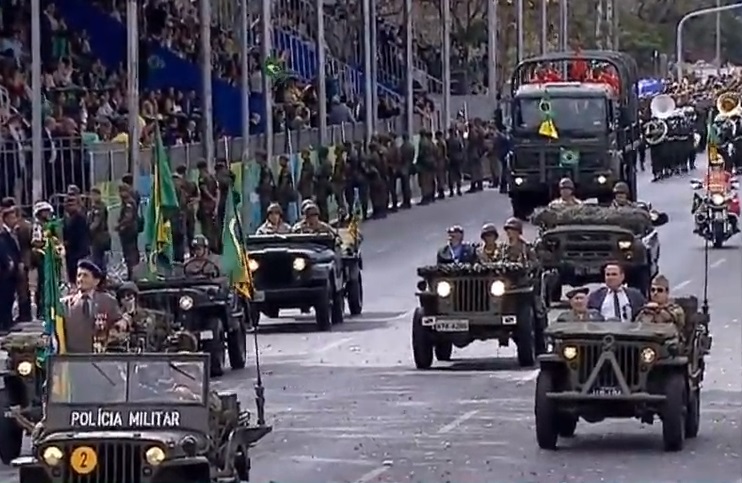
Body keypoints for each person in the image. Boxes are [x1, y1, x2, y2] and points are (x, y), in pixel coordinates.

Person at [64, 259, 126, 353]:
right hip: (72, 360)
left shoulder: (108, 302)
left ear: (96, 281)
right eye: (79, 275)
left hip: (99, 360)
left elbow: (120, 324)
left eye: (85, 276)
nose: (80, 279)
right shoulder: (65, 304)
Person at [0, 207, 21, 331]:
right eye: (12, 217)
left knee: (9, 296)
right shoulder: (3, 234)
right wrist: (9, 262)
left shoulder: (9, 233)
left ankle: (8, 321)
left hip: (10, 270)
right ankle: (4, 323)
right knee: (4, 296)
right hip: (4, 270)